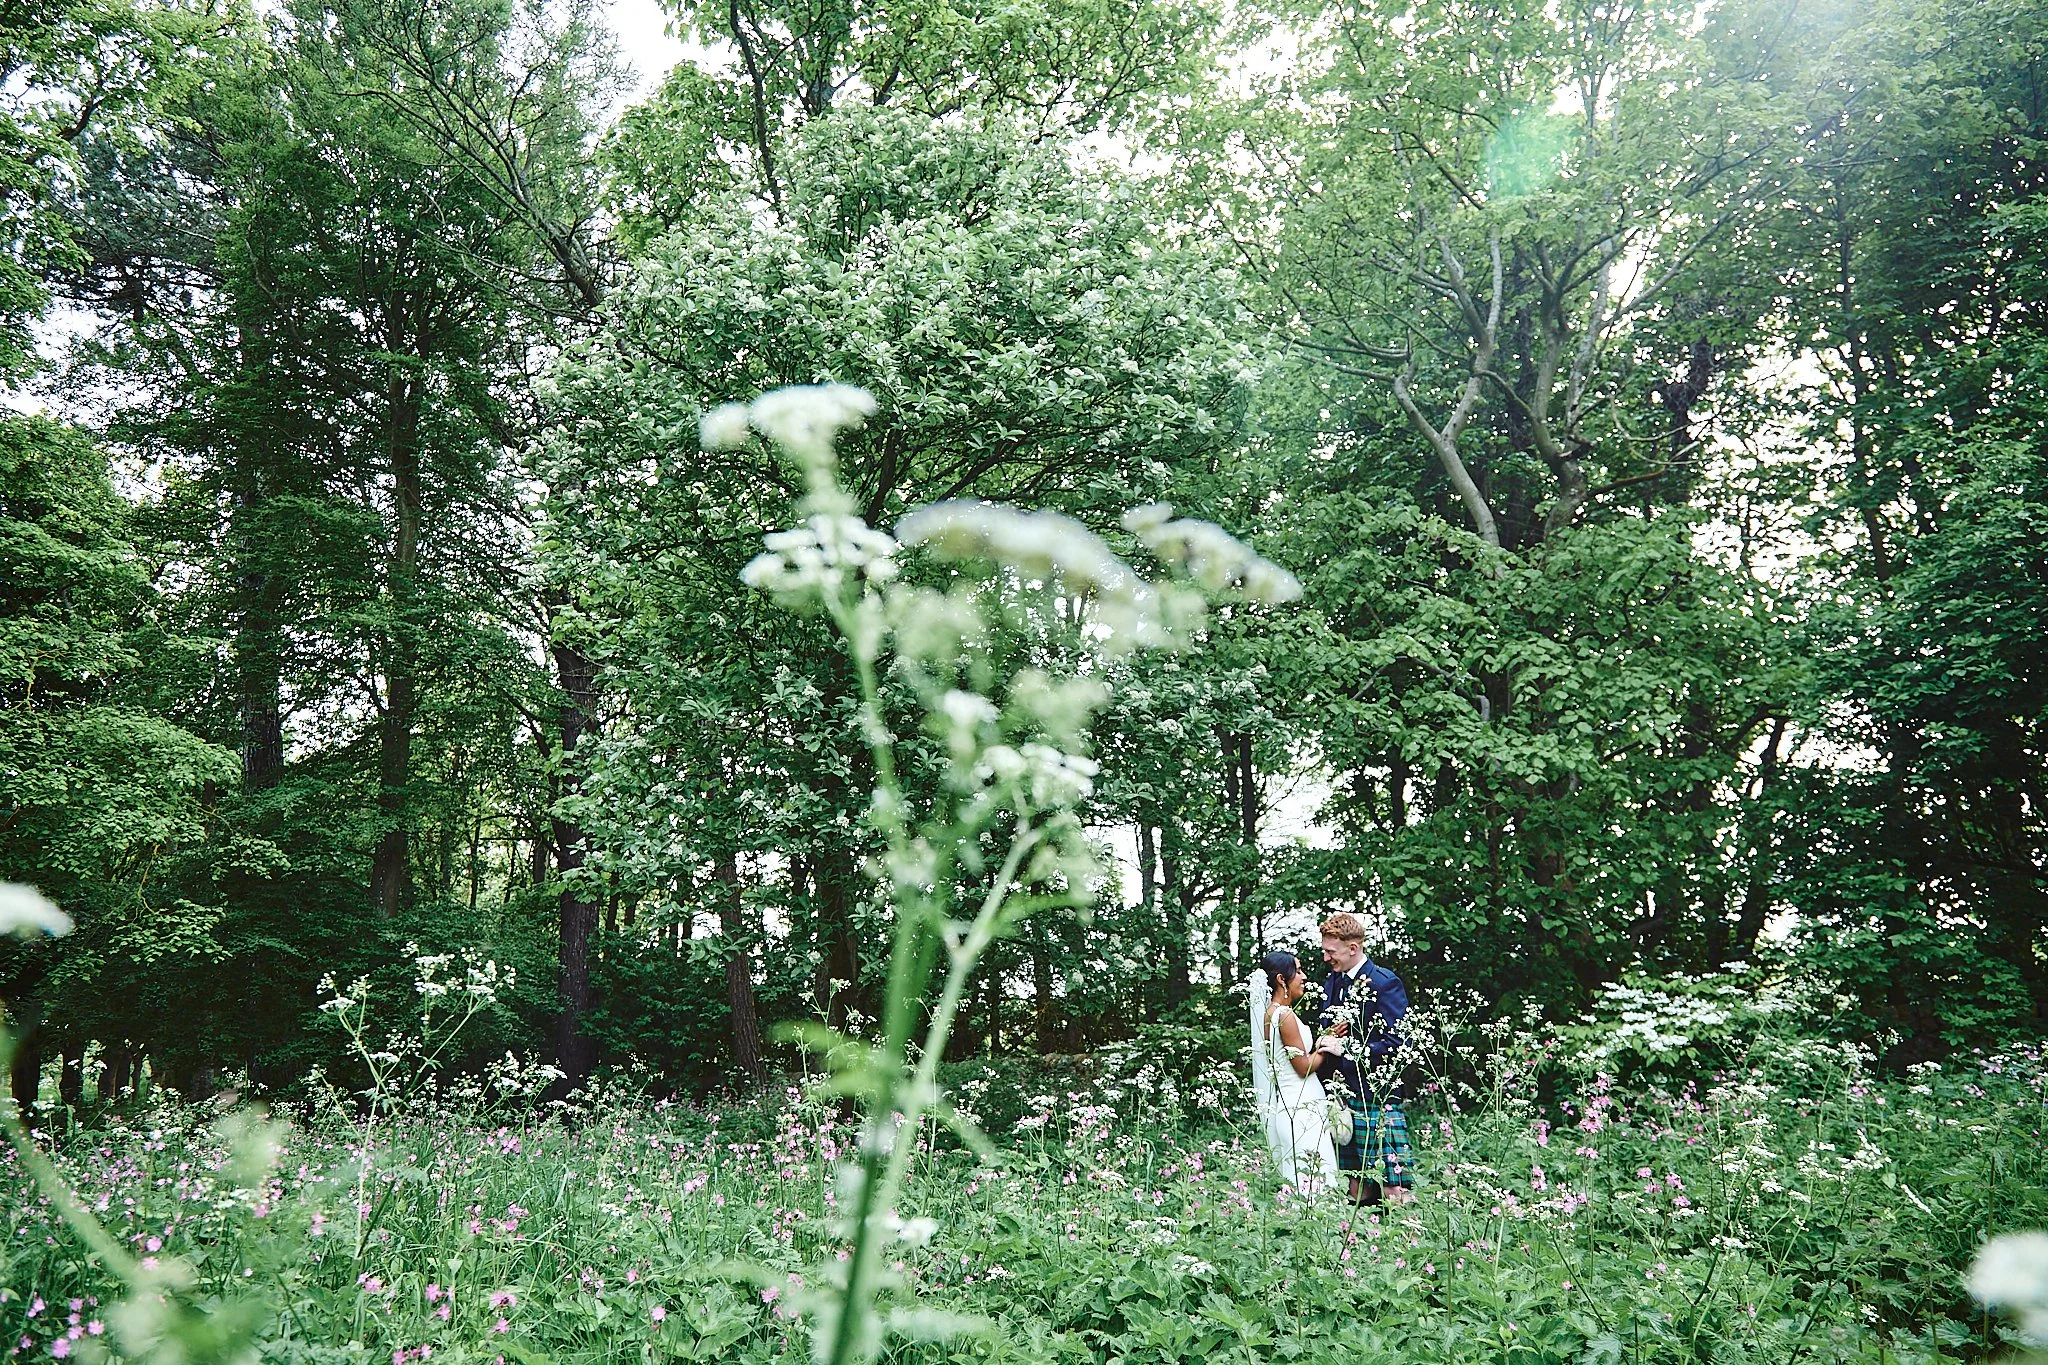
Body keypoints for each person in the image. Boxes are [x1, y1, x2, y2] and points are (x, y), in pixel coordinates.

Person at [1311, 912, 1416, 1206]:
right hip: (1342, 1096)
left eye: (1330, 951)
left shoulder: (1385, 983)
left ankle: (1406, 1246)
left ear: (1353, 948)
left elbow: (1399, 1043)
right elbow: (1329, 1031)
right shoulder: (1332, 982)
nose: (1326, 957)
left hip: (1376, 1095)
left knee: (1394, 1188)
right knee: (1355, 1186)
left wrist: (1348, 1049)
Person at [1246, 950, 1339, 1194]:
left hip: (1289, 1104)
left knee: (1303, 1180)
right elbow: (1302, 1067)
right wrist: (1327, 1047)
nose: (1304, 977)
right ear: (1280, 979)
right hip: (1300, 1108)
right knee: (1315, 1182)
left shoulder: (1271, 1014)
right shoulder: (1284, 1015)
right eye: (1298, 971)